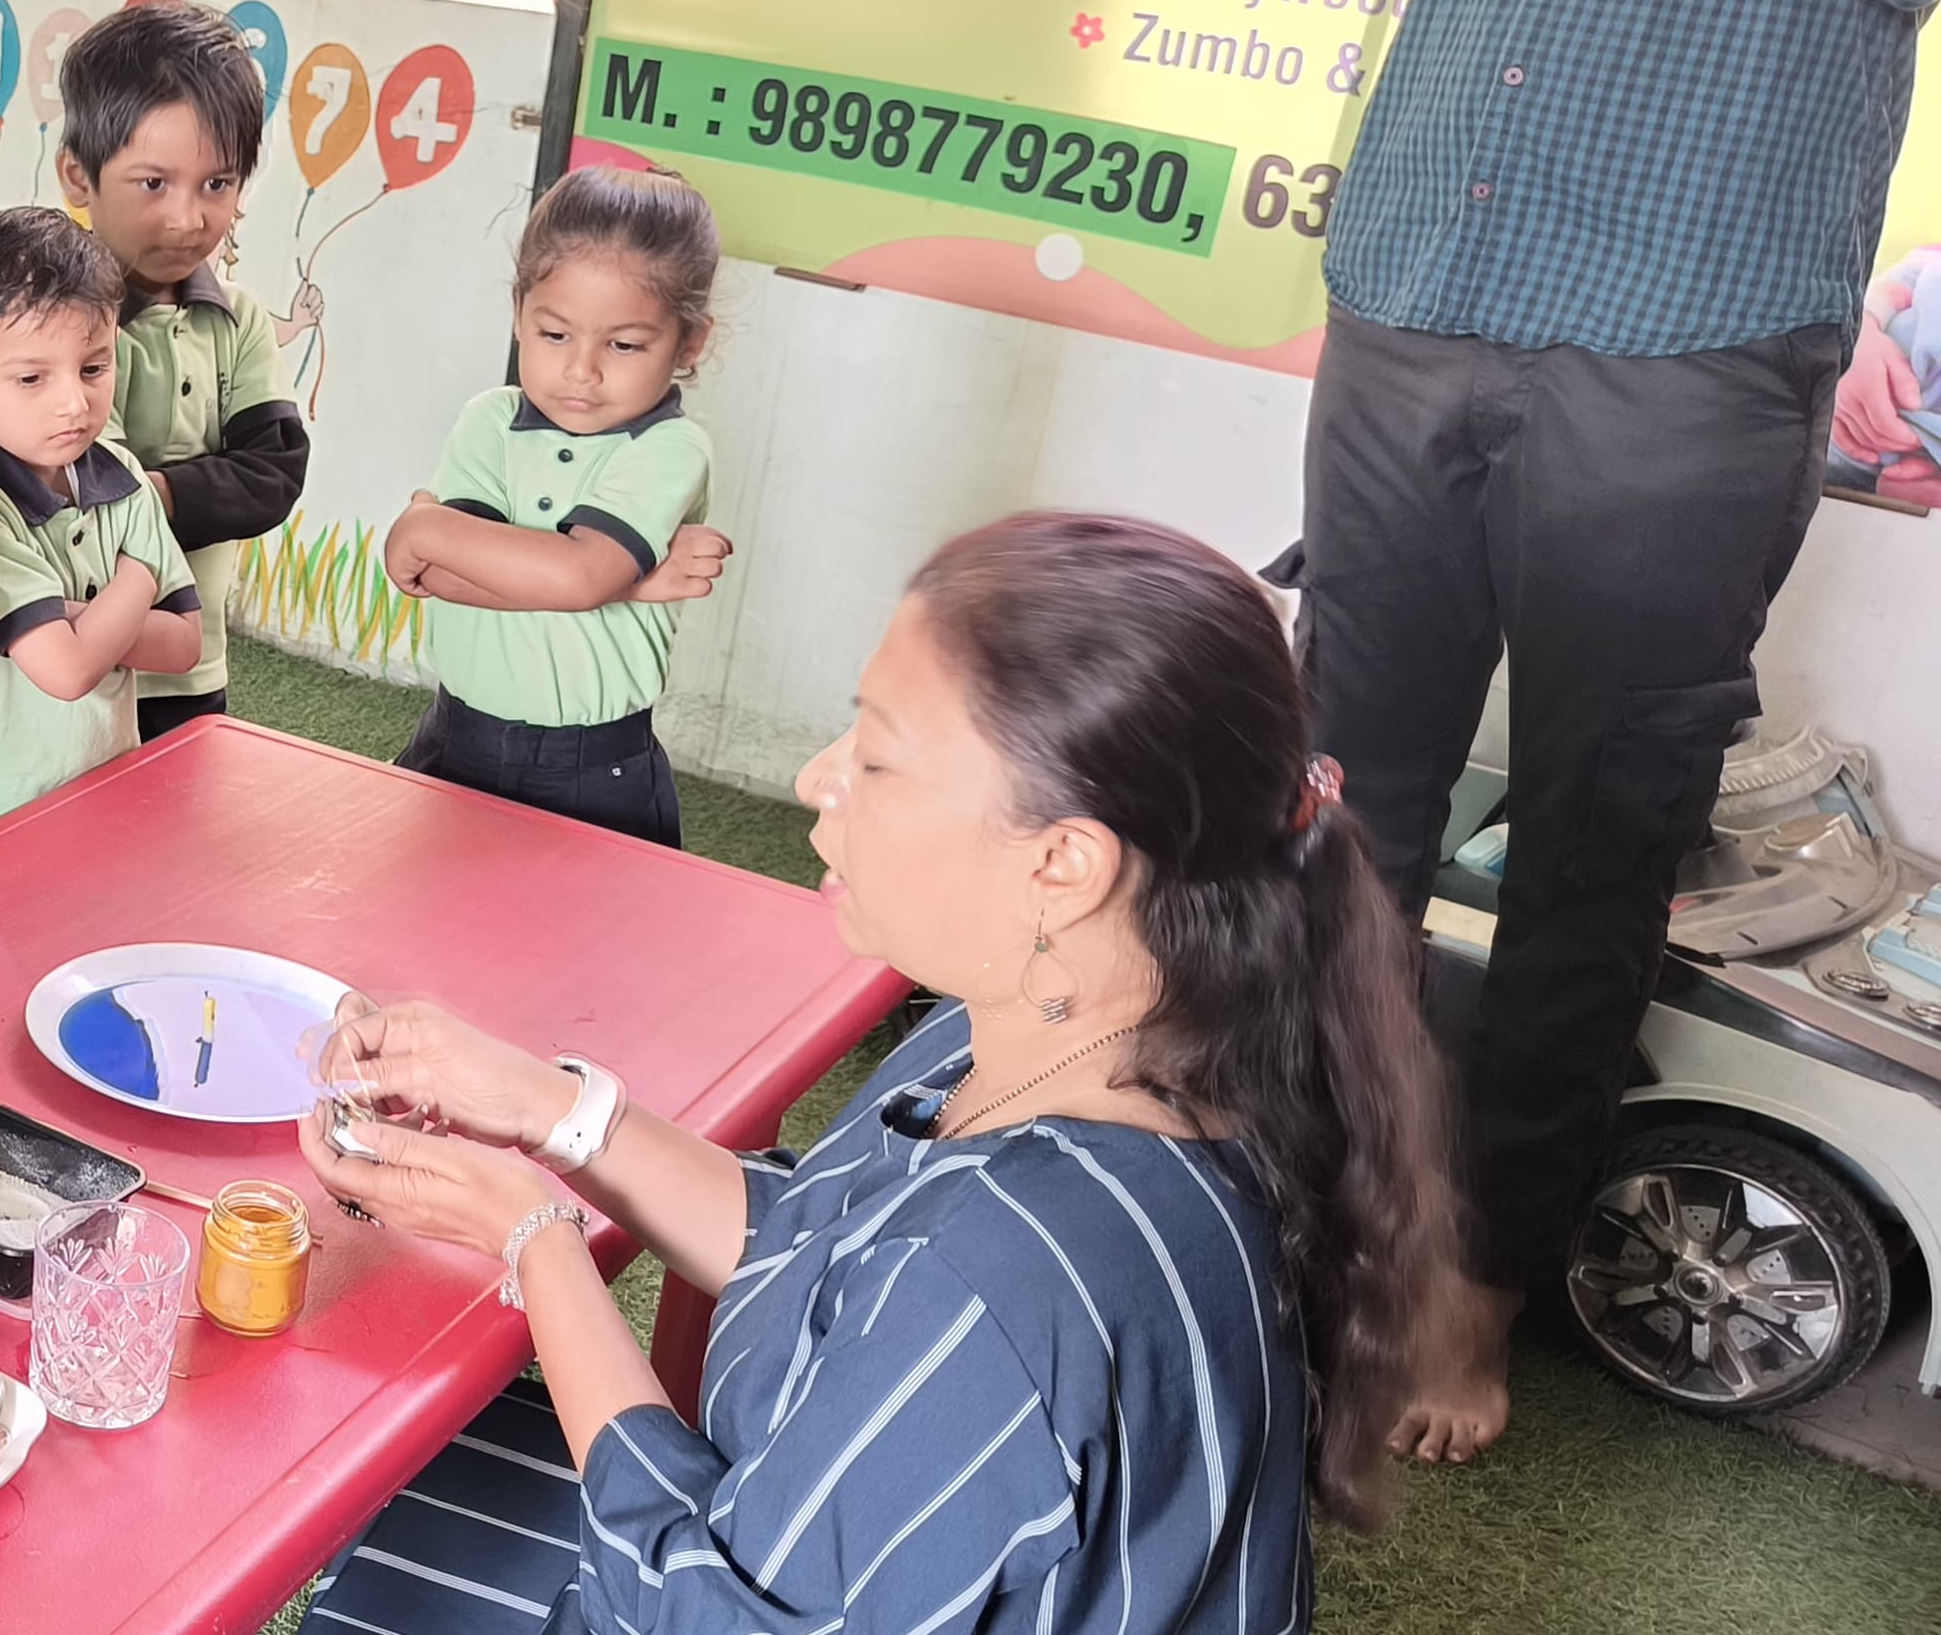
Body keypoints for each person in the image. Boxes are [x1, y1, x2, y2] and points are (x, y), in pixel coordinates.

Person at [296, 513, 1453, 1634]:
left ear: (1062, 862)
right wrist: (545, 1106)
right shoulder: (1084, 1025)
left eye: (878, 758)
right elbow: (825, 1242)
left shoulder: (1002, 1271)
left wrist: (535, 1240)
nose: (817, 776)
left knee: (387, 1499)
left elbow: (707, 1616)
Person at [1303, 0, 1941, 1460]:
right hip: (1419, 277)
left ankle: (1479, 1281)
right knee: (1339, 812)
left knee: (1594, 845)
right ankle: (1295, 1205)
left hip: (1689, 338)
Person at [378, 167, 717, 848]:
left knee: (591, 921)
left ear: (689, 343)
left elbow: (576, 576)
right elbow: (437, 576)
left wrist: (424, 526)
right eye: (555, 335)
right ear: (519, 313)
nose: (581, 370)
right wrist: (634, 582)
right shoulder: (490, 420)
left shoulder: (670, 448)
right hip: (454, 736)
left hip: (595, 770)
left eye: (624, 345)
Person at [0, 208, 205, 858]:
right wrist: (136, 581)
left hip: (96, 819)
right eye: (31, 378)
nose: (74, 403)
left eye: (93, 368)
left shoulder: (122, 476)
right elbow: (68, 668)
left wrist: (72, 615)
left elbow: (183, 645)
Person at [54, 0, 311, 742]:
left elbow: (275, 474)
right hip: (68, 659)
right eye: (153, 184)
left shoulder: (241, 321)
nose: (187, 219)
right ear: (78, 175)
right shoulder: (51, 326)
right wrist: (200, 487)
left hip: (190, 669)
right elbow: (75, 486)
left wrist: (153, 491)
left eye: (217, 184)